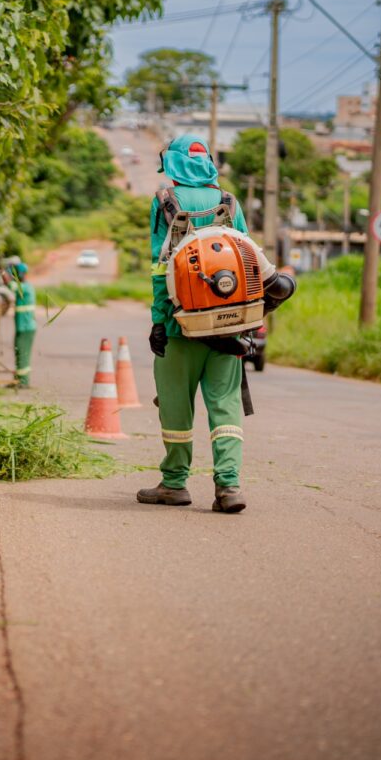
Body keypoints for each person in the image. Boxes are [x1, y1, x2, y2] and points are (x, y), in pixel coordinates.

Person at [140, 133, 294, 514]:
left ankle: (174, 484)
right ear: (207, 162)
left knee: (175, 405)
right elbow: (245, 259)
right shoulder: (229, 201)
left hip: (181, 325)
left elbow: (161, 268)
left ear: (172, 164)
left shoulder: (165, 201)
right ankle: (229, 487)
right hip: (227, 327)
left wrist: (160, 322)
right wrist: (244, 323)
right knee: (225, 407)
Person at [11, 261, 36, 387]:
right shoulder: (25, 286)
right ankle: (19, 379)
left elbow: (10, 285)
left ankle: (23, 382)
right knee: (19, 352)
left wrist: (4, 271)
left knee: (22, 353)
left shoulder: (24, 287)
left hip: (26, 328)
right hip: (23, 327)